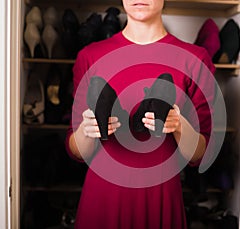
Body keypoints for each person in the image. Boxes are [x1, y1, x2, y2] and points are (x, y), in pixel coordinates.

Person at [65, 0, 215, 228]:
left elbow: (199, 154)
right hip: (103, 197)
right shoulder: (90, 56)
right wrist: (88, 130)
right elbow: (76, 151)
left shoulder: (195, 59)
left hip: (161, 197)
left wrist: (179, 125)